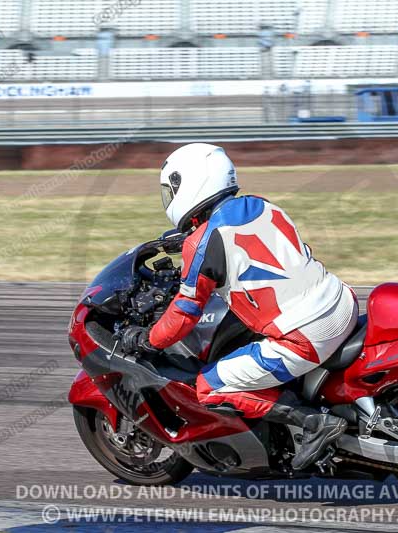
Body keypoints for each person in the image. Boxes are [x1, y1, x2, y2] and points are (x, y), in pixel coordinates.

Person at [122, 143, 358, 470]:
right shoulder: (263, 206)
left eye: (170, 189)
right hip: (341, 303)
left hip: (306, 337)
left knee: (208, 387)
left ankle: (312, 422)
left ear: (188, 184)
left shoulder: (202, 244)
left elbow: (184, 315)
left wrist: (147, 339)